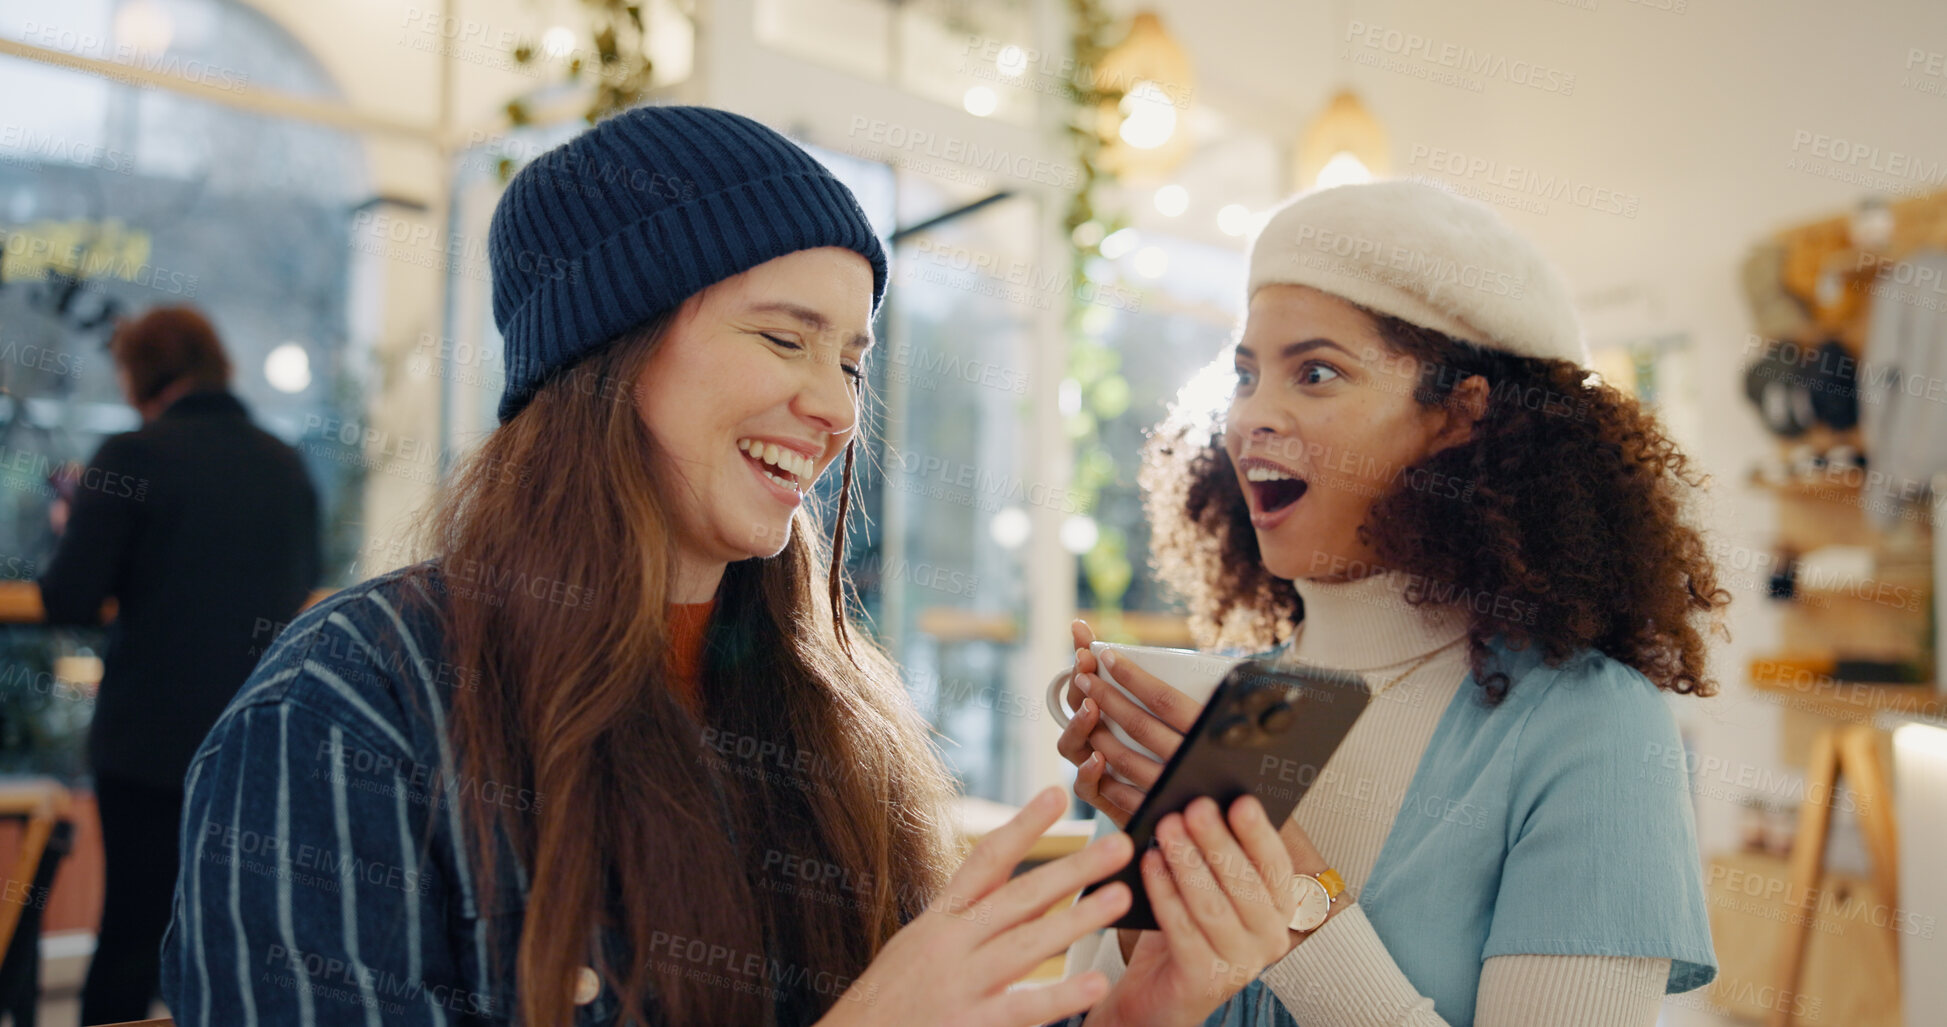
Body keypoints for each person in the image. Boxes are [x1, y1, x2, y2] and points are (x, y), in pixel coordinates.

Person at [160, 105, 1299, 1027]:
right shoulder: (355, 705)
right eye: (782, 336)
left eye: (852, 359)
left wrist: (1146, 1010)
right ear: (606, 351)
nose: (835, 407)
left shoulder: (833, 713)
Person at [1056, 180, 1725, 1026]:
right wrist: (1141, 959)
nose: (1251, 416)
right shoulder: (1219, 708)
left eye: (1317, 371)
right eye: (1245, 374)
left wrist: (1293, 892)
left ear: (1458, 416)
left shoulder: (1589, 725)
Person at [38, 305, 321, 1025]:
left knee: (131, 937)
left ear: (140, 374)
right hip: (262, 744)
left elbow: (70, 596)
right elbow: (301, 583)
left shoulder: (133, 455)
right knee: (239, 945)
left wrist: (76, 523)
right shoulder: (284, 463)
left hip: (150, 746)